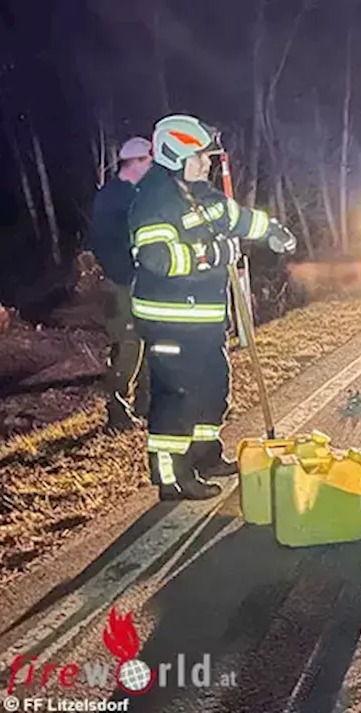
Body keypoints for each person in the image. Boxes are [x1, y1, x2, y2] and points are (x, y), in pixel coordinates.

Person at [130, 114, 298, 501]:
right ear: (176, 156)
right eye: (200, 156)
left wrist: (271, 230)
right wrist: (214, 253)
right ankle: (173, 477)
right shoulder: (155, 201)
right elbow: (158, 258)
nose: (208, 162)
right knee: (177, 397)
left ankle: (205, 454)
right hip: (169, 320)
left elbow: (237, 218)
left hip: (204, 319)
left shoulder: (201, 195)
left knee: (212, 388)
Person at [87, 137, 154, 431]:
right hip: (122, 283)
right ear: (135, 163)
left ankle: (144, 402)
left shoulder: (131, 193)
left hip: (137, 280)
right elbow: (103, 242)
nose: (151, 168)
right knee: (129, 345)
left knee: (147, 339)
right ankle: (117, 410)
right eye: (149, 162)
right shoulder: (113, 196)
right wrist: (126, 273)